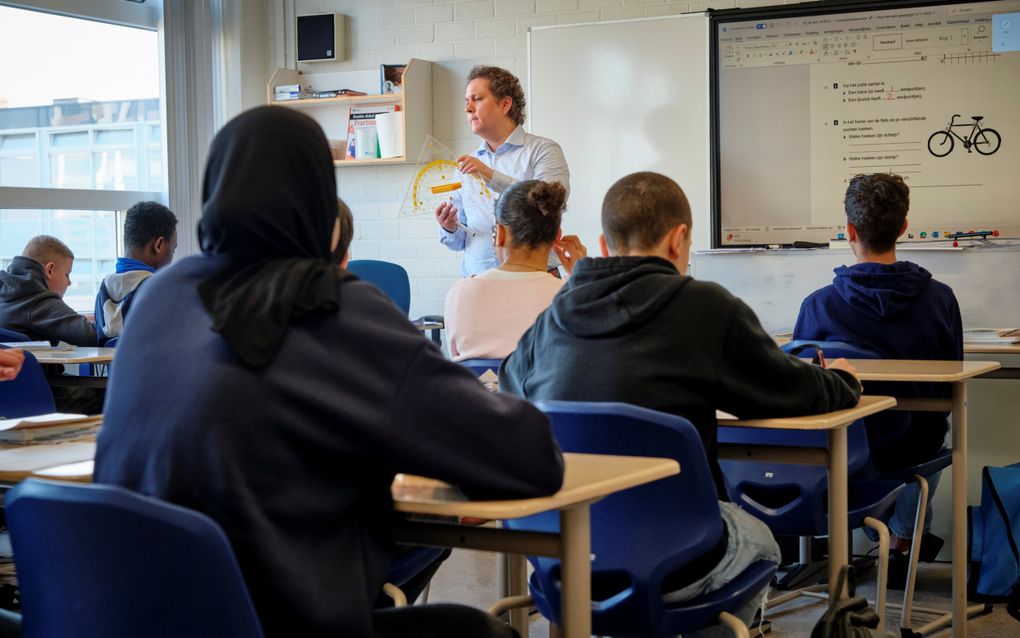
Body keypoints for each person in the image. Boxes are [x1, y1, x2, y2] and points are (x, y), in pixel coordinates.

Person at [93, 106, 564, 638]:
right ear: (321, 200)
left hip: (137, 616)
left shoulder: (159, 298)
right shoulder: (331, 305)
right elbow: (529, 461)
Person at [500, 171, 863, 633]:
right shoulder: (706, 307)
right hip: (680, 556)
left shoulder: (555, 316)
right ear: (679, 239)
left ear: (603, 245)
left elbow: (514, 393)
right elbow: (792, 389)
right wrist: (843, 381)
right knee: (763, 541)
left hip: (563, 554)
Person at [793, 173, 962, 581]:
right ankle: (902, 542)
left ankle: (833, 549)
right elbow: (952, 388)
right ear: (904, 228)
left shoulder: (817, 307)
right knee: (933, 429)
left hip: (839, 450)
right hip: (911, 448)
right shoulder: (940, 300)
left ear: (849, 230)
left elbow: (801, 390)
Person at [435, 65, 569, 277]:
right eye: (466, 101)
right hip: (476, 285)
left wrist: (490, 175)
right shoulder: (466, 166)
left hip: (534, 284)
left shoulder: (543, 150)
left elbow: (550, 202)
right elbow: (459, 242)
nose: (468, 108)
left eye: (477, 99)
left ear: (505, 104)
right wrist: (450, 227)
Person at [444, 179, 585, 361]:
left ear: (499, 234)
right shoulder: (570, 297)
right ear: (557, 236)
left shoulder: (459, 292)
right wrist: (581, 279)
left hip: (477, 389)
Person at [95, 201, 178, 345]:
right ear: (158, 245)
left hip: (117, 368)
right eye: (173, 250)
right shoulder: (159, 290)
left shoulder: (104, 292)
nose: (172, 257)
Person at [0, 235, 97, 345]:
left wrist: (76, 320)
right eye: (67, 274)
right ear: (49, 270)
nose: (69, 282)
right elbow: (92, 335)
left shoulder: (10, 293)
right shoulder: (38, 300)